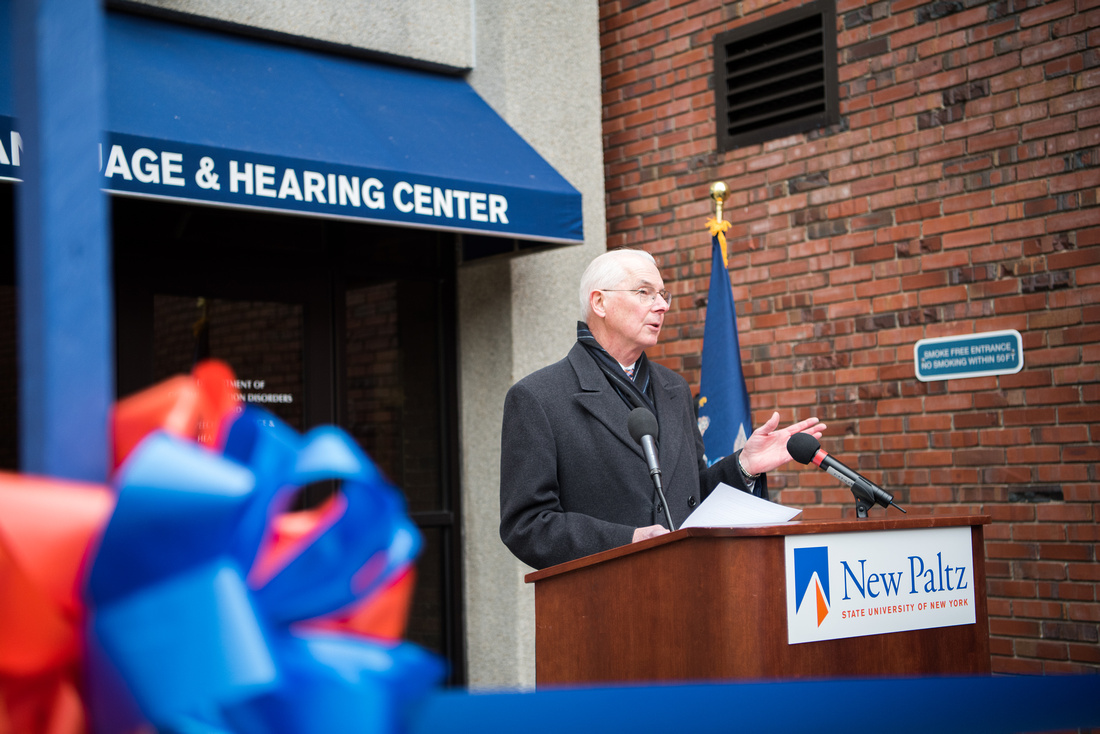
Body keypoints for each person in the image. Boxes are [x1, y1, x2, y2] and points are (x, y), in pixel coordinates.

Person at [498, 248, 825, 569]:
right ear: (600, 302)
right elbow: (527, 525)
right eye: (645, 292)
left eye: (663, 294)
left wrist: (744, 466)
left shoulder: (674, 388)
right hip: (605, 603)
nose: (663, 305)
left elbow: (690, 494)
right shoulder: (538, 396)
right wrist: (628, 540)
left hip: (685, 590)